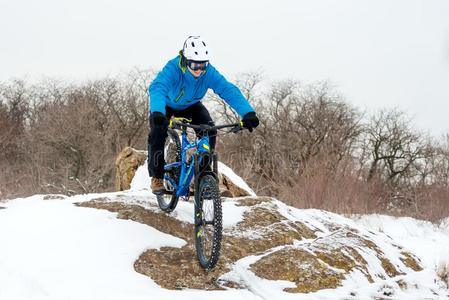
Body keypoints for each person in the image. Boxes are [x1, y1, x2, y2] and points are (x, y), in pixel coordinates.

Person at [148, 36, 259, 194]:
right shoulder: (173, 68)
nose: (199, 70)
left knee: (209, 131)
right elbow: (158, 87)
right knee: (157, 133)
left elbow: (227, 89)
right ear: (186, 60)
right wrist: (157, 112)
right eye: (195, 65)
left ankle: (203, 176)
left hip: (192, 105)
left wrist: (248, 113)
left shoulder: (208, 72)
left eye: (203, 65)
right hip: (167, 105)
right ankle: (157, 176)